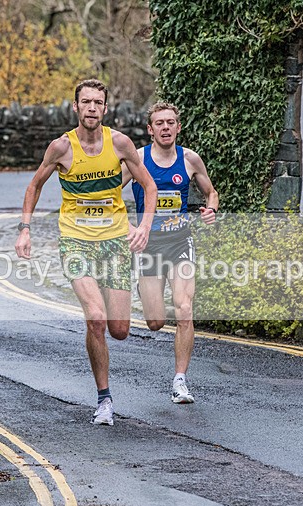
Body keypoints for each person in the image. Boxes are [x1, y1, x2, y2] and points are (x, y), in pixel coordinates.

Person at [15, 79, 157, 426]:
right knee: (95, 317)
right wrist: (25, 228)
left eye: (98, 102)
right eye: (86, 102)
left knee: (119, 329)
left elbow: (148, 185)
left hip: (114, 243)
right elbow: (34, 185)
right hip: (75, 240)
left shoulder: (120, 143)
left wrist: (144, 226)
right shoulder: (61, 147)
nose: (92, 108)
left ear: (105, 108)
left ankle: (127, 291)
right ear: (75, 107)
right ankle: (104, 399)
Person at [122, 101, 219, 404]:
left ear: (178, 126)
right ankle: (146, 292)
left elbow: (211, 192)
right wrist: (129, 227)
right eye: (159, 123)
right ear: (150, 130)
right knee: (154, 322)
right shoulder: (136, 159)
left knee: (185, 308)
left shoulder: (189, 159)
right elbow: (109, 193)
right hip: (149, 246)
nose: (166, 127)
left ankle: (180, 380)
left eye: (171, 122)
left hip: (180, 243)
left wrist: (211, 210)